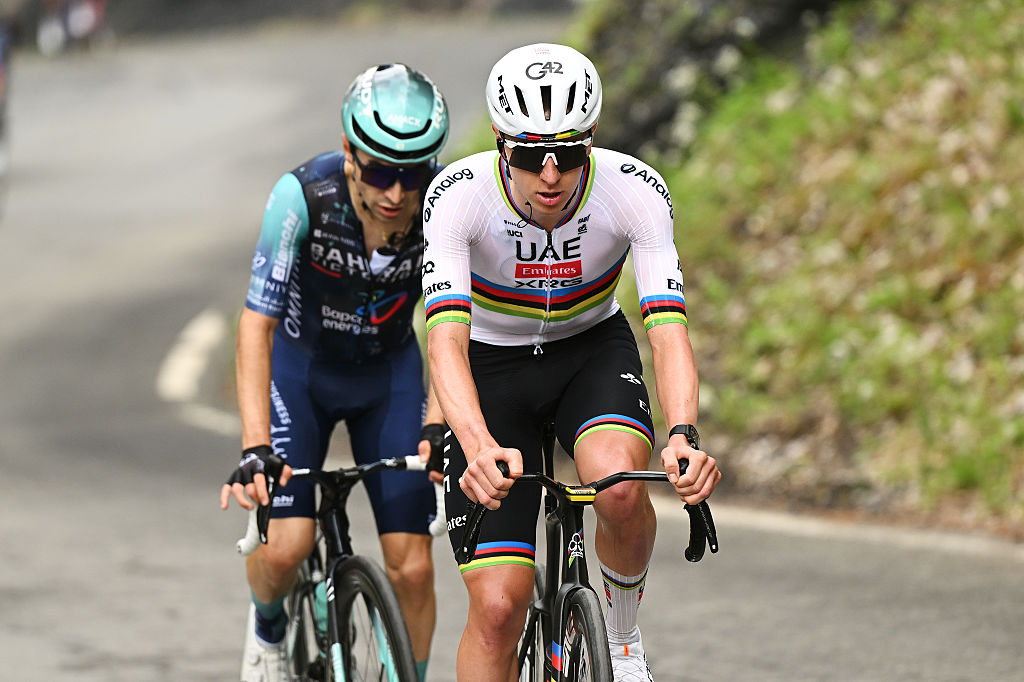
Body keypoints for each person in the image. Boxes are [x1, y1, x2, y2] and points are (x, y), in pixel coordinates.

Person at [422, 43, 721, 681]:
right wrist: (474, 444)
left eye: (569, 153)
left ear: (591, 142)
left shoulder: (634, 190)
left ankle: (621, 638)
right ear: (502, 145)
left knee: (617, 486)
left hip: (591, 350)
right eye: (531, 157)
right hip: (492, 369)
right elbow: (445, 339)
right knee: (499, 610)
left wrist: (684, 435)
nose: (551, 175)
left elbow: (667, 329)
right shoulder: (457, 197)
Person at [220, 63, 449, 682]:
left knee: (415, 566)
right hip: (304, 375)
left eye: (412, 174)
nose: (396, 193)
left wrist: (437, 423)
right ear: (349, 151)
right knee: (288, 546)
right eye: (378, 170)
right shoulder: (301, 197)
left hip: (389, 378)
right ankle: (268, 631)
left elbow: (456, 329)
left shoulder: (443, 208)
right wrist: (254, 446)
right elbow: (255, 325)